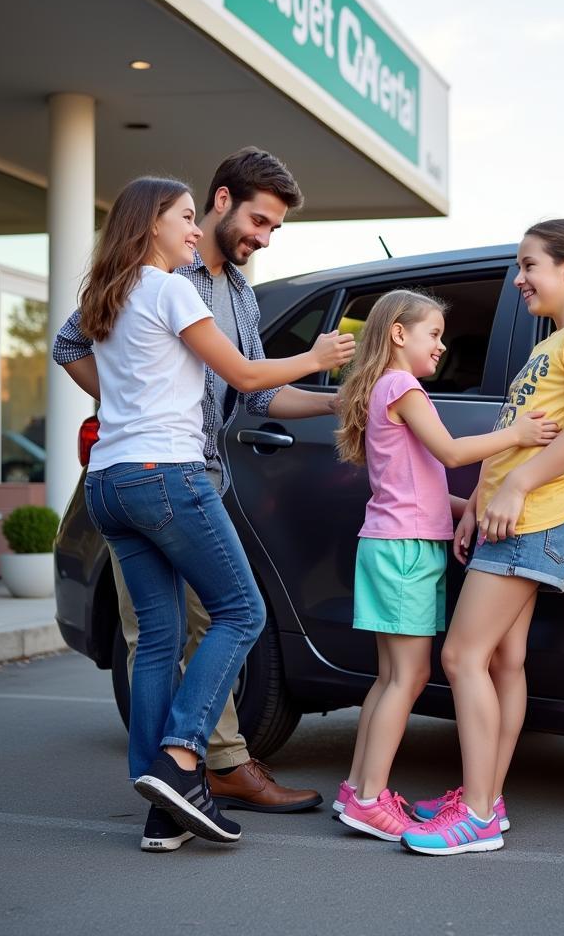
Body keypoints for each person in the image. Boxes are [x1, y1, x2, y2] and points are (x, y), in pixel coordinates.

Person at [60, 175, 354, 849]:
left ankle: (164, 811)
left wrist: (123, 404)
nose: (193, 232)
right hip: (168, 475)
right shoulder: (171, 287)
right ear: (149, 224)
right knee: (243, 611)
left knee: (160, 640)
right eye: (184, 218)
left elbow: (82, 353)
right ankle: (183, 757)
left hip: (110, 480)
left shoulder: (109, 292)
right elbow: (248, 378)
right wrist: (316, 357)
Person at [403, 219, 564, 855]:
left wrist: (512, 490)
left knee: (460, 657)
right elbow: (517, 433)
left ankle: (476, 813)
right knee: (502, 661)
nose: (519, 277)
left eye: (529, 264)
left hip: (536, 519)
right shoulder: (550, 344)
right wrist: (480, 499)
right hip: (513, 516)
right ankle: (486, 798)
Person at [329, 289, 559, 841]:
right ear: (398, 334)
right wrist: (520, 434)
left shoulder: (384, 388)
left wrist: (467, 511)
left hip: (392, 542)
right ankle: (368, 799)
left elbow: (420, 485)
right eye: (433, 333)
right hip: (405, 550)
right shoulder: (403, 386)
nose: (442, 344)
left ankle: (358, 789)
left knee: (391, 677)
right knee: (409, 676)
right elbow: (453, 454)